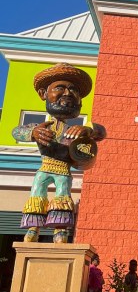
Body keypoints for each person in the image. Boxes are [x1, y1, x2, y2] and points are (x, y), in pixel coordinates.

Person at [11, 63, 106, 244]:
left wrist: (88, 130)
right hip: (45, 166)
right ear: (43, 94)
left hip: (63, 169)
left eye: (72, 89)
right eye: (60, 88)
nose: (67, 93)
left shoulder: (75, 131)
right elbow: (16, 131)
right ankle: (33, 228)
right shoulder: (41, 127)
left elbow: (101, 132)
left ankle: (60, 231)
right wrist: (32, 133)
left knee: (63, 194)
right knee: (37, 192)